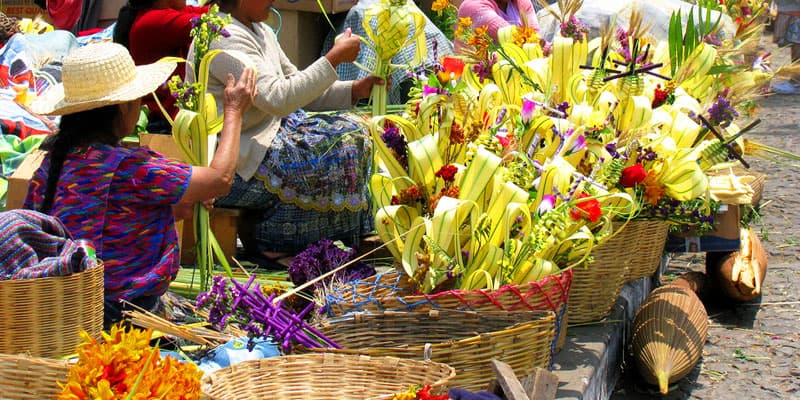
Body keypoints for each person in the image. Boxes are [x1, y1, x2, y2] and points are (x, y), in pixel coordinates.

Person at [25, 41, 256, 328]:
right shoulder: (133, 167)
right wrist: (234, 111)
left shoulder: (50, 166)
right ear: (122, 108)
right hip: (124, 313)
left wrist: (169, 211)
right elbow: (219, 179)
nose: (142, 105)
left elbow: (99, 224)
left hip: (69, 309)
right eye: (137, 100)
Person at [196, 0, 385, 259]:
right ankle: (274, 240)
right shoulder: (222, 36)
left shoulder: (259, 28)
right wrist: (334, 58)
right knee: (333, 151)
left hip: (273, 132)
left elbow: (295, 87)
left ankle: (359, 233)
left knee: (356, 132)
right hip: (239, 158)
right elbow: (278, 97)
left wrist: (353, 90)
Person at [113, 0, 210, 133]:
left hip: (169, 118)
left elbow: (215, 11)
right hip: (161, 123)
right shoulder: (154, 20)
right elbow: (214, 23)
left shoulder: (168, 13)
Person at [454, 0, 539, 53]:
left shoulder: (521, 2)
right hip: (481, 78)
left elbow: (535, 37)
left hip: (520, 69)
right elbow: (515, 38)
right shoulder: (472, 7)